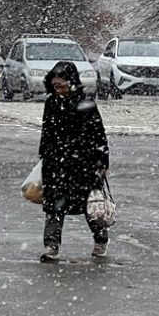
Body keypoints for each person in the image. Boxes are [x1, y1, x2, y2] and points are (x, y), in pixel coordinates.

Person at [37, 60, 110, 262]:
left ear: (71, 82)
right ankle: (51, 246)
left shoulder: (86, 104)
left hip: (83, 165)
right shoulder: (51, 103)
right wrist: (44, 155)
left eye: (61, 85)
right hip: (56, 164)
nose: (58, 89)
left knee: (91, 205)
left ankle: (101, 239)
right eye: (55, 86)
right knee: (54, 206)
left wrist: (102, 163)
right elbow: (47, 132)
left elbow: (99, 136)